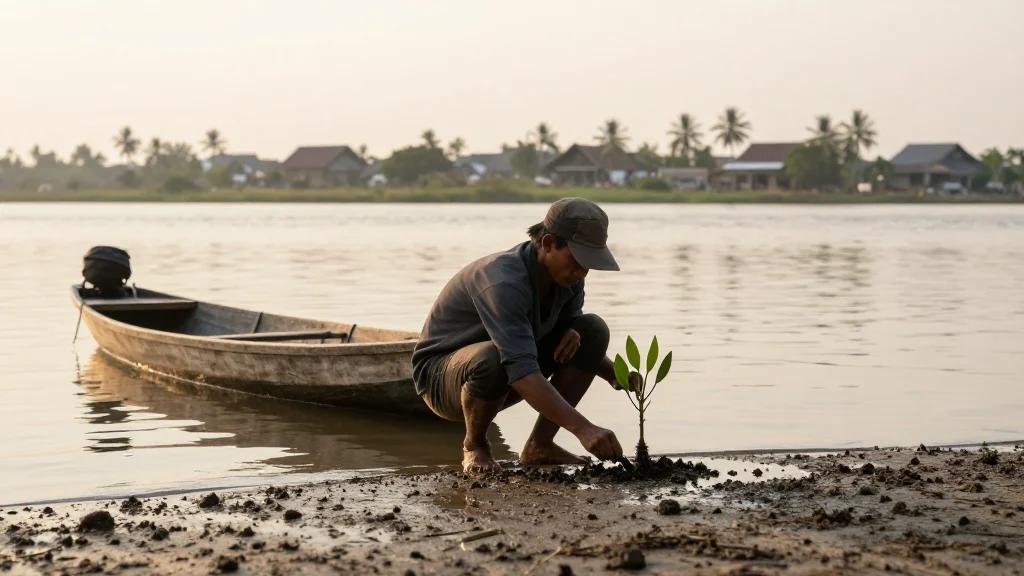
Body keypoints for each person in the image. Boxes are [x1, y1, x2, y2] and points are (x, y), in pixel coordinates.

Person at [412, 197, 633, 474]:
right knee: (493, 358)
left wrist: (615, 374)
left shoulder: (569, 279)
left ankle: (540, 446)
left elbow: (572, 340)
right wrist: (584, 429)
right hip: (443, 378)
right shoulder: (503, 281)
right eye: (577, 260)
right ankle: (474, 445)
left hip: (507, 366)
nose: (582, 272)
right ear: (548, 243)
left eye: (589, 264)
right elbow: (519, 366)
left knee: (591, 329)